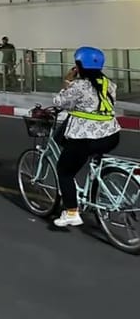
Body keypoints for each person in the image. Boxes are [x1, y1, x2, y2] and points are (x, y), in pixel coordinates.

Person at [51, 46, 120, 227]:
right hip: (111, 136)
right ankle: (94, 191)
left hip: (86, 139)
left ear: (79, 66)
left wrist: (67, 81)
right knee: (86, 156)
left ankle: (72, 212)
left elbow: (59, 102)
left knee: (64, 171)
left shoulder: (79, 86)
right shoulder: (109, 84)